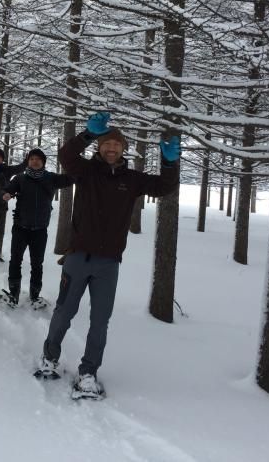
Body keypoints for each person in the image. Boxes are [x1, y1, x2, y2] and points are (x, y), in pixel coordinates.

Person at [35, 112, 181, 399]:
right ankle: (49, 358)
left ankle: (88, 373)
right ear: (99, 147)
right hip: (77, 258)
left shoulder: (132, 179)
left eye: (117, 144)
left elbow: (165, 186)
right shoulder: (85, 170)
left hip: (108, 263)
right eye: (106, 143)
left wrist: (169, 162)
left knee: (100, 320)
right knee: (64, 312)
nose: (111, 148)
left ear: (124, 149)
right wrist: (87, 134)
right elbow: (66, 155)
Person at [0, 148, 74, 310]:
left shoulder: (51, 178)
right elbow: (7, 189)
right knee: (15, 261)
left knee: (37, 264)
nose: (34, 161)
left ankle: (35, 296)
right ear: (28, 162)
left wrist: (79, 167)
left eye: (38, 159)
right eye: (31, 159)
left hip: (40, 230)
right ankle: (13, 294)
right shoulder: (20, 178)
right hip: (20, 228)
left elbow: (70, 179)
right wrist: (5, 194)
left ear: (43, 162)